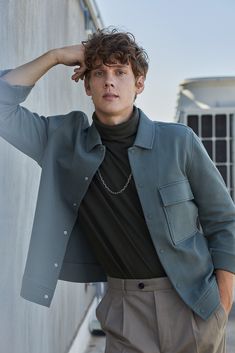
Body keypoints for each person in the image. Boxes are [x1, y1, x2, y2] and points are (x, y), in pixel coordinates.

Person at [0, 27, 235, 353]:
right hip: (125, 309)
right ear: (87, 84)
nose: (110, 81)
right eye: (99, 72)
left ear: (139, 84)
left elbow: (223, 220)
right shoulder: (64, 143)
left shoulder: (178, 142)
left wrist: (222, 304)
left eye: (120, 72)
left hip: (192, 303)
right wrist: (55, 57)